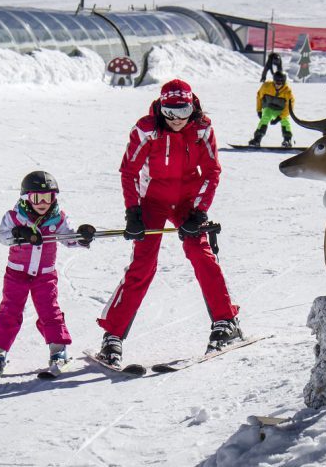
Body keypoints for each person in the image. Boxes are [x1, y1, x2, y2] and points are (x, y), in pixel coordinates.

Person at [96, 79, 241, 367]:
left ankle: (226, 321)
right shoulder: (147, 129)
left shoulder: (201, 129)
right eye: (170, 113)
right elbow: (129, 172)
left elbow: (212, 171)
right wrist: (133, 213)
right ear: (161, 109)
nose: (177, 120)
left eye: (183, 111)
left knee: (201, 253)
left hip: (188, 199)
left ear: (193, 106)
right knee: (143, 262)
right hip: (153, 198)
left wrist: (199, 212)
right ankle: (112, 336)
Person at [0, 171, 96, 378]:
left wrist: (82, 237)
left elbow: (69, 238)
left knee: (49, 312)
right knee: (9, 311)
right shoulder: (14, 217)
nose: (43, 203)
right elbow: (3, 236)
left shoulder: (58, 218)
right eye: (38, 198)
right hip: (16, 274)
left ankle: (58, 351)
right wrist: (19, 233)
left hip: (45, 276)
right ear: (27, 197)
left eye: (48, 197)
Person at [248, 71, 295, 147]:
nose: (277, 85)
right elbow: (259, 97)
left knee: (285, 121)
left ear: (283, 82)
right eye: (276, 82)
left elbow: (289, 107)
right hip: (269, 108)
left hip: (281, 111)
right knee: (264, 118)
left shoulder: (287, 92)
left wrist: (280, 117)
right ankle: (257, 139)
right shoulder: (266, 86)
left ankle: (287, 140)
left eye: (280, 83)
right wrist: (259, 110)